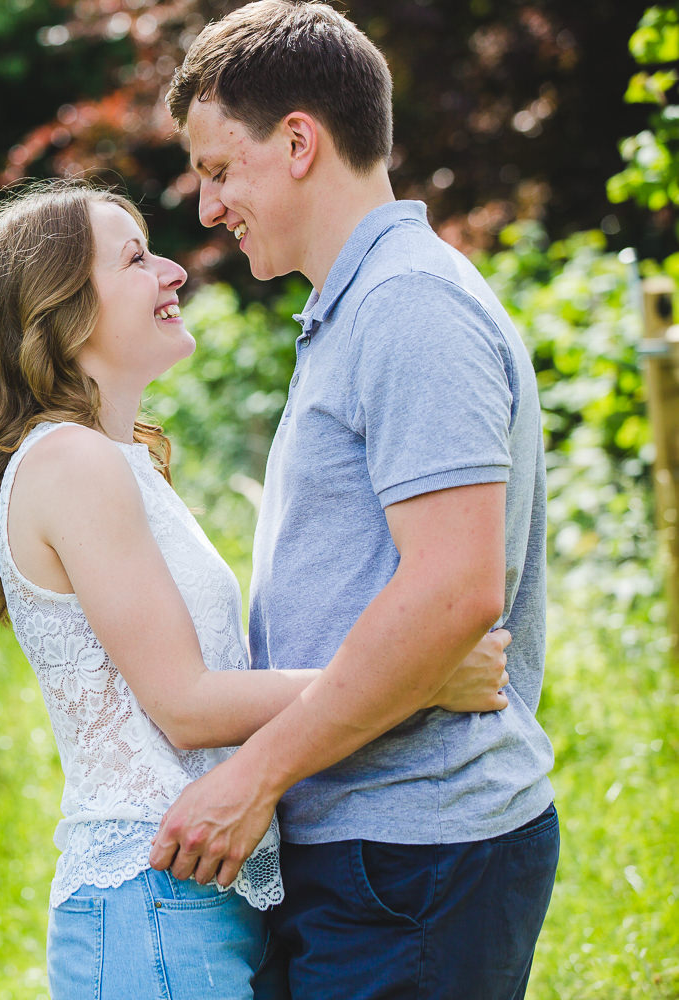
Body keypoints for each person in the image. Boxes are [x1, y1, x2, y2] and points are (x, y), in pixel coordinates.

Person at [0, 179, 511, 999]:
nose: (173, 271)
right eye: (136, 259)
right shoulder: (72, 463)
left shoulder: (119, 460)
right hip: (152, 900)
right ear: (57, 311)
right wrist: (421, 680)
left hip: (199, 894)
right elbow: (187, 701)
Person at [146, 3, 559, 998]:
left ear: (298, 142)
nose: (206, 208)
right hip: (373, 850)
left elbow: (455, 591)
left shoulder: (409, 307)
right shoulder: (355, 307)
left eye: (217, 170)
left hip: (417, 853)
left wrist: (256, 772)